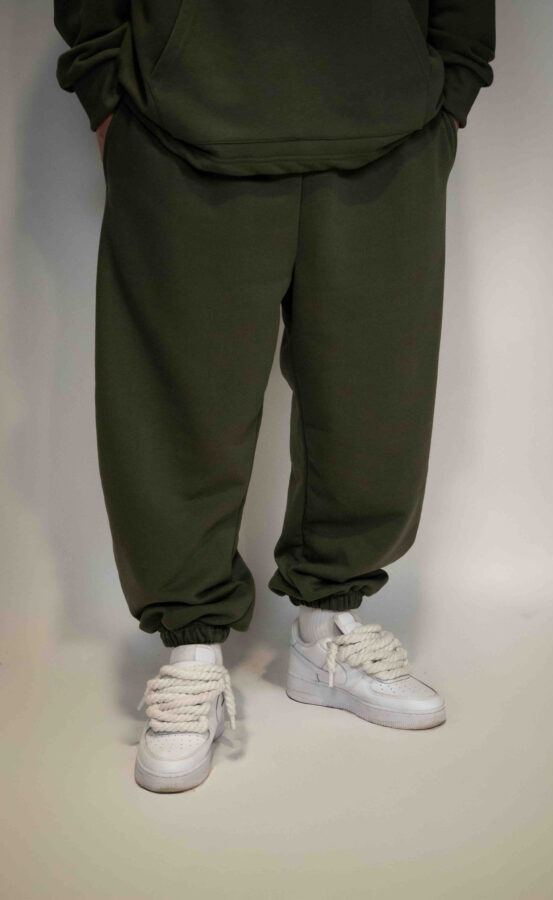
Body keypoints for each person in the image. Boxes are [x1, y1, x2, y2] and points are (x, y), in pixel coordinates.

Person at [54, 0, 495, 793]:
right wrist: (105, 85)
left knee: (376, 395)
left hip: (389, 116)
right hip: (184, 116)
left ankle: (328, 630)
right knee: (177, 402)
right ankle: (191, 650)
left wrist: (454, 80)